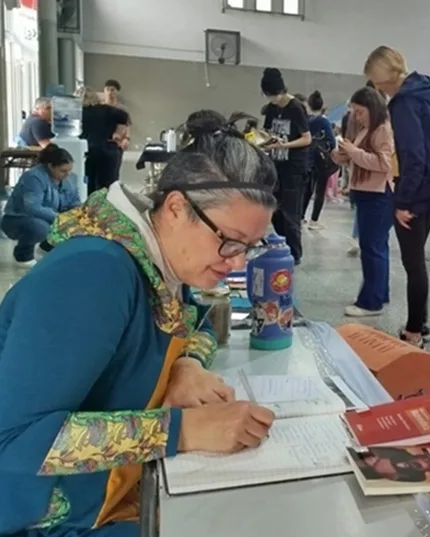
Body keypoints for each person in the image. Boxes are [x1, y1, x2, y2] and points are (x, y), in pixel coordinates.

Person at [0, 111, 278, 536]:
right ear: (176, 208)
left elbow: (195, 324)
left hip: (111, 492)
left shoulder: (162, 262)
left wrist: (186, 367)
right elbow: (13, 441)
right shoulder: (94, 275)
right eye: (229, 241)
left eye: (249, 248)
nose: (237, 262)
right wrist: (183, 431)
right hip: (44, 519)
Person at [365, 46, 430, 347]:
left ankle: (414, 330)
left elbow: (414, 156)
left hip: (418, 191)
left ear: (381, 76)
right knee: (418, 265)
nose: (376, 88)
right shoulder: (425, 90)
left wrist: (403, 202)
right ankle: (420, 323)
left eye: (375, 81)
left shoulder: (403, 103)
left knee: (414, 265)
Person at [334, 87, 395, 317]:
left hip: (378, 194)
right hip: (366, 191)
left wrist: (353, 151)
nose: (356, 117)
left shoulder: (382, 129)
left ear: (372, 108)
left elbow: (383, 164)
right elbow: (360, 158)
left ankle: (371, 302)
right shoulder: (368, 128)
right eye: (354, 112)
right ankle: (380, 293)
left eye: (360, 112)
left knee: (372, 249)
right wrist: (342, 155)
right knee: (378, 247)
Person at [260, 67, 312, 264]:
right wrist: (263, 139)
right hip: (276, 166)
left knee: (291, 214)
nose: (273, 98)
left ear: (282, 90)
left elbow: (306, 139)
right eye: (270, 95)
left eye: (275, 94)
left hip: (294, 168)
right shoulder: (272, 109)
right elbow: (267, 132)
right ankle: (281, 247)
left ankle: (294, 254)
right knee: (276, 212)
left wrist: (284, 145)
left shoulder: (296, 107)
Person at [1, 144, 80, 267]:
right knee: (41, 227)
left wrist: (78, 216)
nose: (67, 174)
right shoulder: (33, 177)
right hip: (18, 220)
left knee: (78, 223)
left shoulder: (70, 179)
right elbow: (32, 207)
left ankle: (47, 247)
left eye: (69, 170)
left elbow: (74, 202)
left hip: (51, 219)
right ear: (50, 166)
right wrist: (59, 218)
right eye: (63, 171)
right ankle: (23, 254)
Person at [82, 89, 131, 194]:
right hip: (108, 149)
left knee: (88, 183)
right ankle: (107, 207)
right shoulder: (106, 109)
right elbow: (124, 116)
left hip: (87, 150)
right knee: (109, 184)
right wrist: (118, 132)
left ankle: (89, 207)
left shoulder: (78, 113)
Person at [304, 90, 337, 230]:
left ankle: (300, 217)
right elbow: (332, 141)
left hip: (307, 158)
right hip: (321, 160)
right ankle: (314, 220)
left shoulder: (306, 120)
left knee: (307, 190)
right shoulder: (324, 121)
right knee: (320, 191)